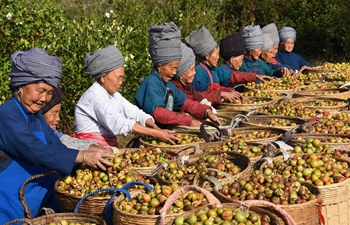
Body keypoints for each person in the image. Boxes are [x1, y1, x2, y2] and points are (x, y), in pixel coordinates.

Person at [0, 47, 115, 223]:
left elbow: (56, 145)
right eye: (40, 90)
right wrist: (83, 156)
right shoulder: (7, 114)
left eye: (49, 92)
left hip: (36, 205)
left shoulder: (36, 116)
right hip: (9, 207)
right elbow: (33, 148)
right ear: (21, 86)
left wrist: (89, 162)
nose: (44, 98)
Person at [74, 45, 179, 147]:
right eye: (119, 78)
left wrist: (153, 126)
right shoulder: (95, 96)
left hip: (106, 149)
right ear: (103, 77)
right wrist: (156, 133)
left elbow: (134, 112)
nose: (121, 82)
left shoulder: (113, 95)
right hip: (90, 151)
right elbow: (118, 123)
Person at [134, 22, 221, 128]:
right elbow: (159, 113)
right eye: (172, 68)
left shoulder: (169, 86)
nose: (175, 73)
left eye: (176, 68)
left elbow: (187, 103)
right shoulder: (151, 84)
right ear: (160, 66)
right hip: (151, 136)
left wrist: (207, 111)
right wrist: (188, 121)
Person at [185, 26, 271, 92]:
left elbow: (232, 76)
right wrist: (227, 91)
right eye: (216, 54)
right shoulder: (199, 72)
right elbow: (206, 91)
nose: (218, 57)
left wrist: (254, 76)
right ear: (207, 56)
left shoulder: (215, 70)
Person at [42, 87, 113, 151]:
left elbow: (65, 140)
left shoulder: (50, 133)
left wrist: (94, 147)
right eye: (54, 113)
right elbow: (62, 146)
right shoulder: (36, 136)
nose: (58, 118)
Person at [171, 43, 223, 107]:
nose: (194, 72)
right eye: (192, 69)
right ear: (181, 72)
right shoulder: (175, 88)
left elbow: (199, 96)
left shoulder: (188, 86)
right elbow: (189, 104)